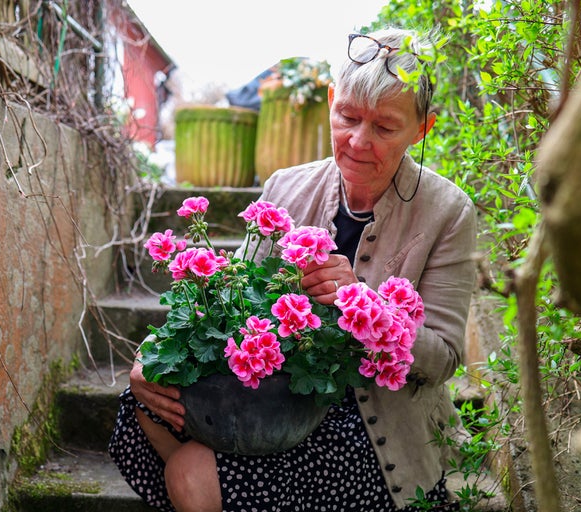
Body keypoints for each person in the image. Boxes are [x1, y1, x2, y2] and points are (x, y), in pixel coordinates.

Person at [109, 26, 477, 512]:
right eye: (346, 116)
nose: (358, 141)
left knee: (193, 472)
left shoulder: (448, 211)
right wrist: (151, 359)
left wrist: (362, 302)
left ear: (422, 128)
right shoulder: (285, 188)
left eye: (385, 127)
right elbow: (230, 310)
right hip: (277, 399)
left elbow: (444, 357)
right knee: (144, 403)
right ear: (330, 100)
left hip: (371, 423)